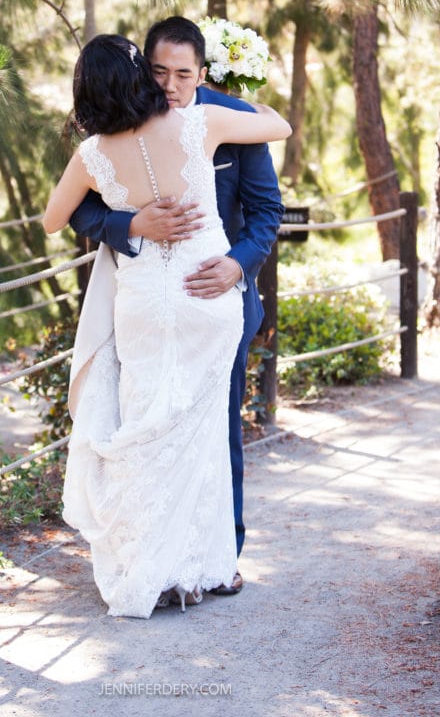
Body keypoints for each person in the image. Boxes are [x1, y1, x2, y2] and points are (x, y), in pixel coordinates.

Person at [44, 35, 290, 619]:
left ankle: (148, 565)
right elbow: (278, 124)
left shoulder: (92, 155)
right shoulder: (201, 122)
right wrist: (229, 99)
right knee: (198, 437)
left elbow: (54, 218)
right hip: (205, 302)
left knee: (147, 425)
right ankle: (193, 568)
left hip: (145, 303)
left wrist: (127, 212)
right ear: (139, 76)